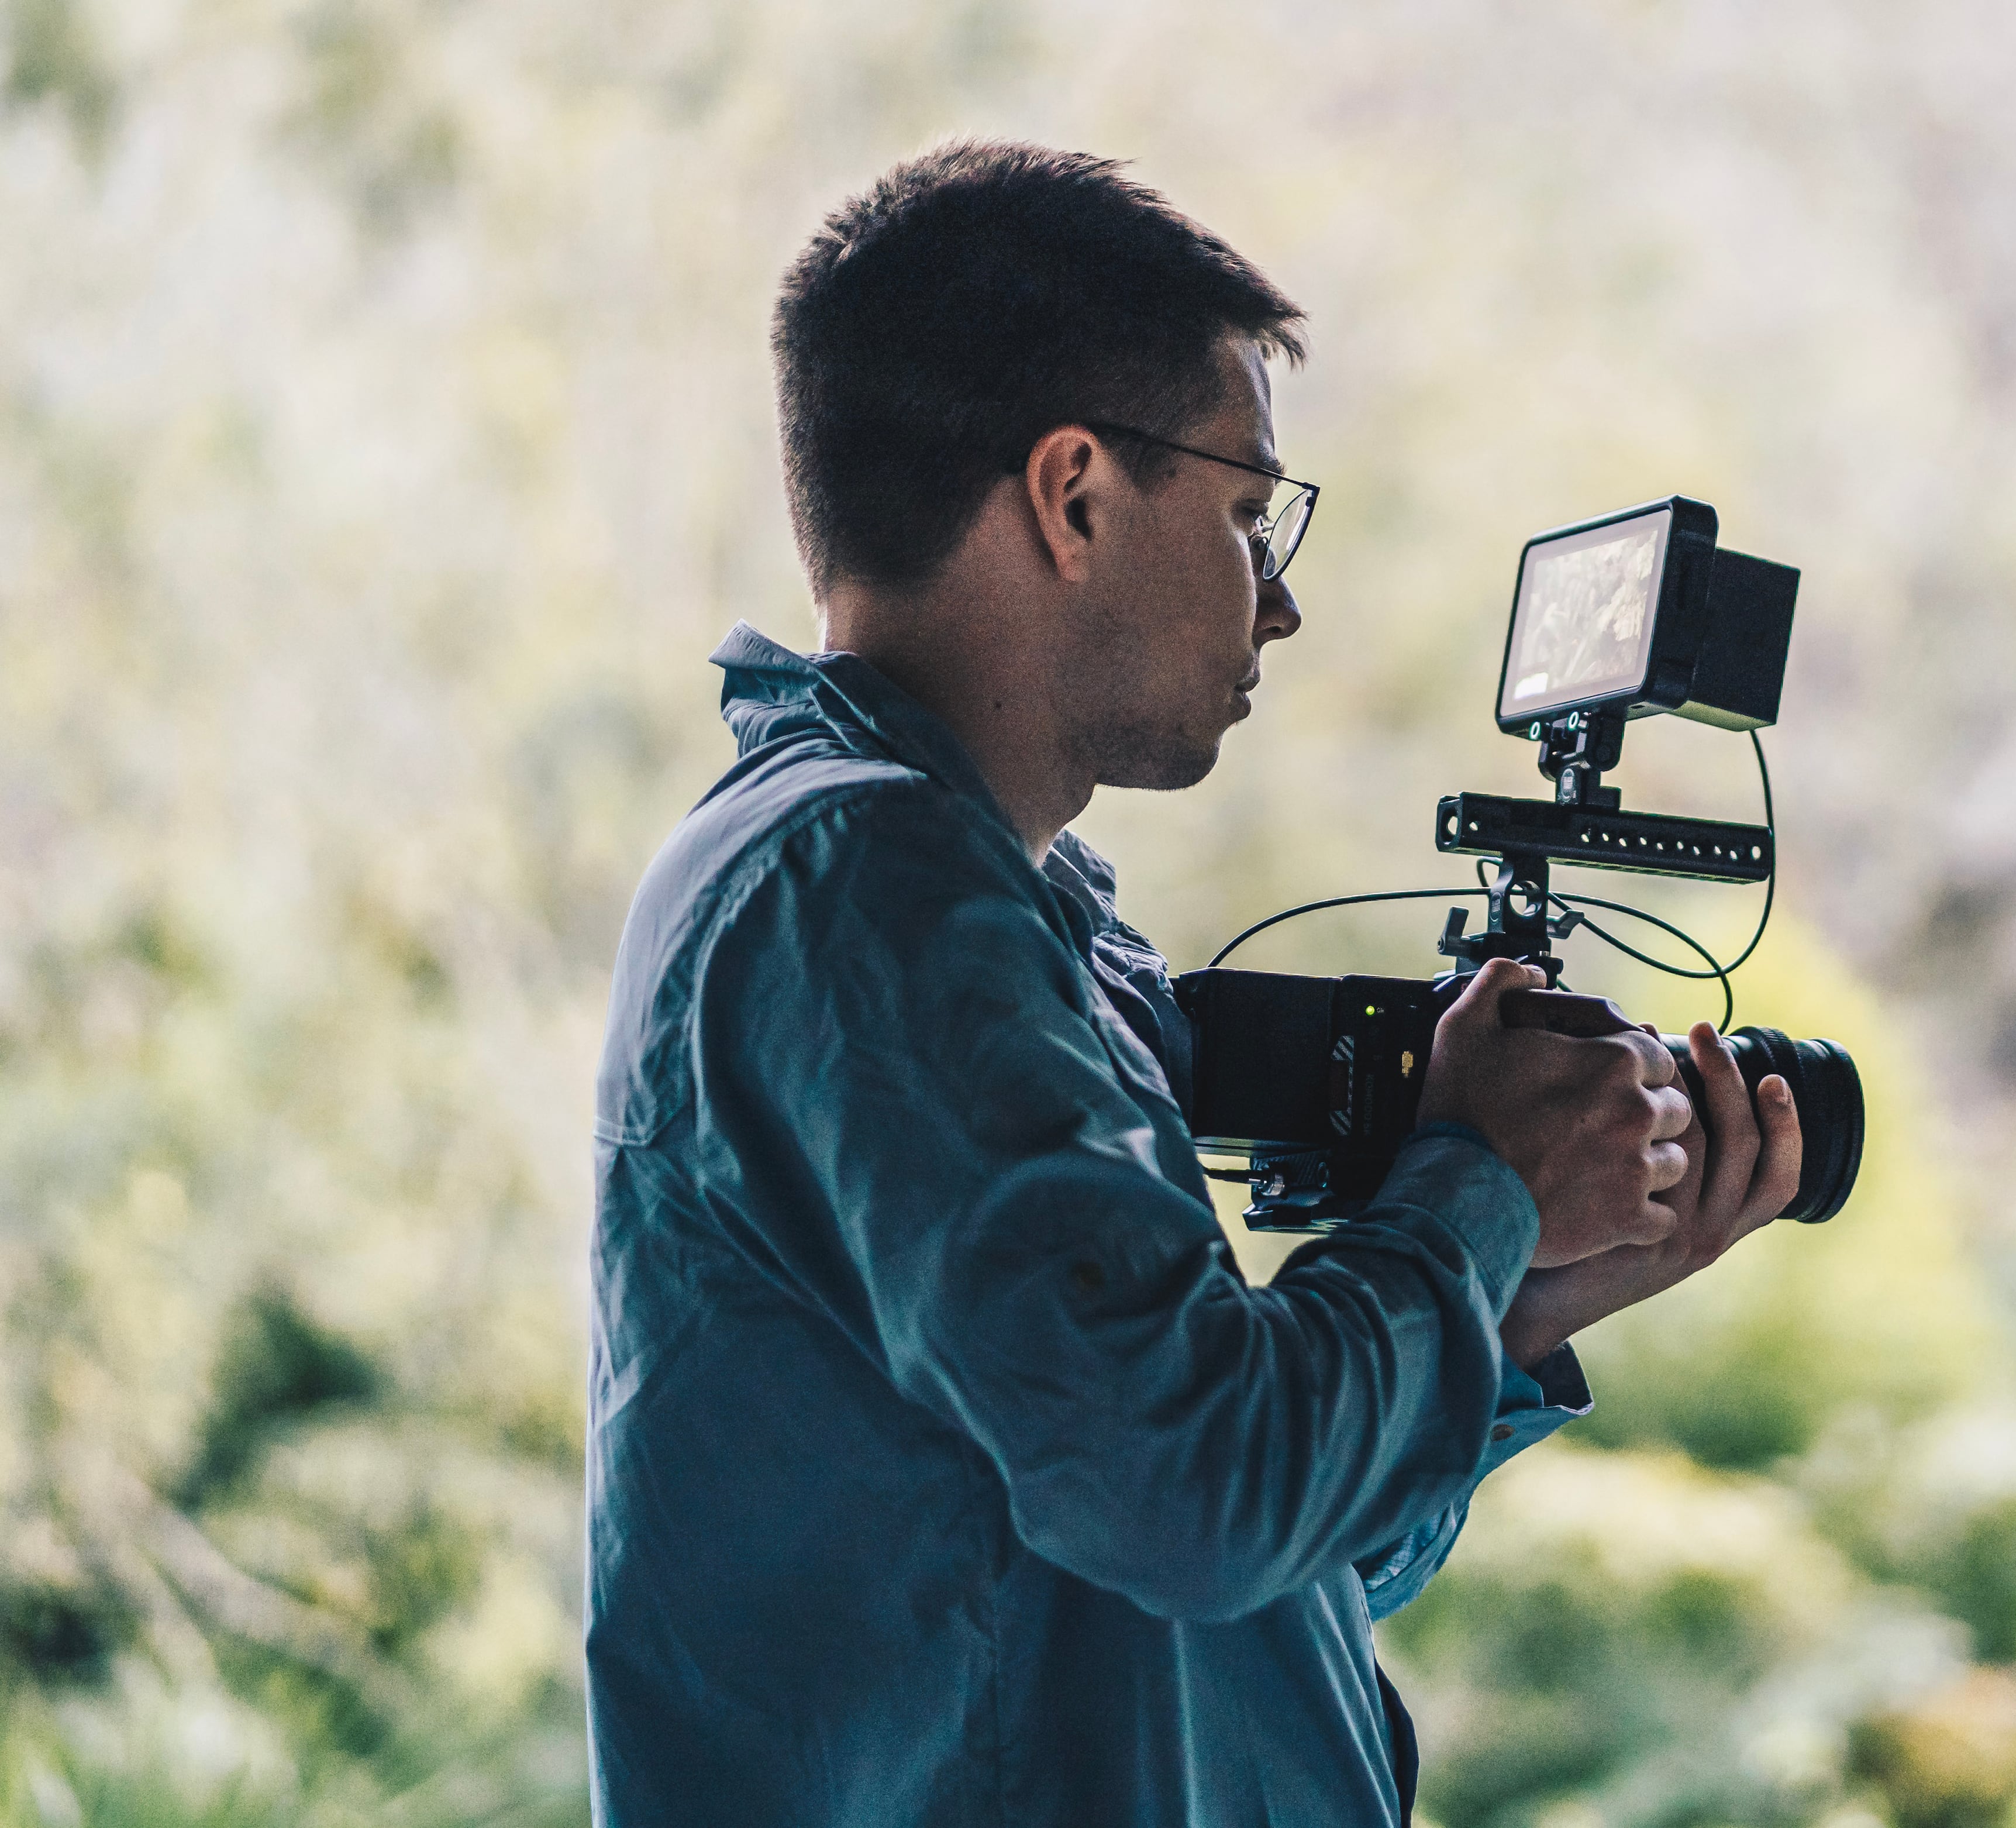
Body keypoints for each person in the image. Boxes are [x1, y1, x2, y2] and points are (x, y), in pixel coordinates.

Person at [584, 139, 1804, 1827]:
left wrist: (1516, 1298)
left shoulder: (1003, 910)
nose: (1280, 602)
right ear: (1073, 495)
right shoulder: (860, 891)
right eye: (1247, 515)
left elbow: (1225, 1591)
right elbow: (1196, 1504)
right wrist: (1473, 1189)